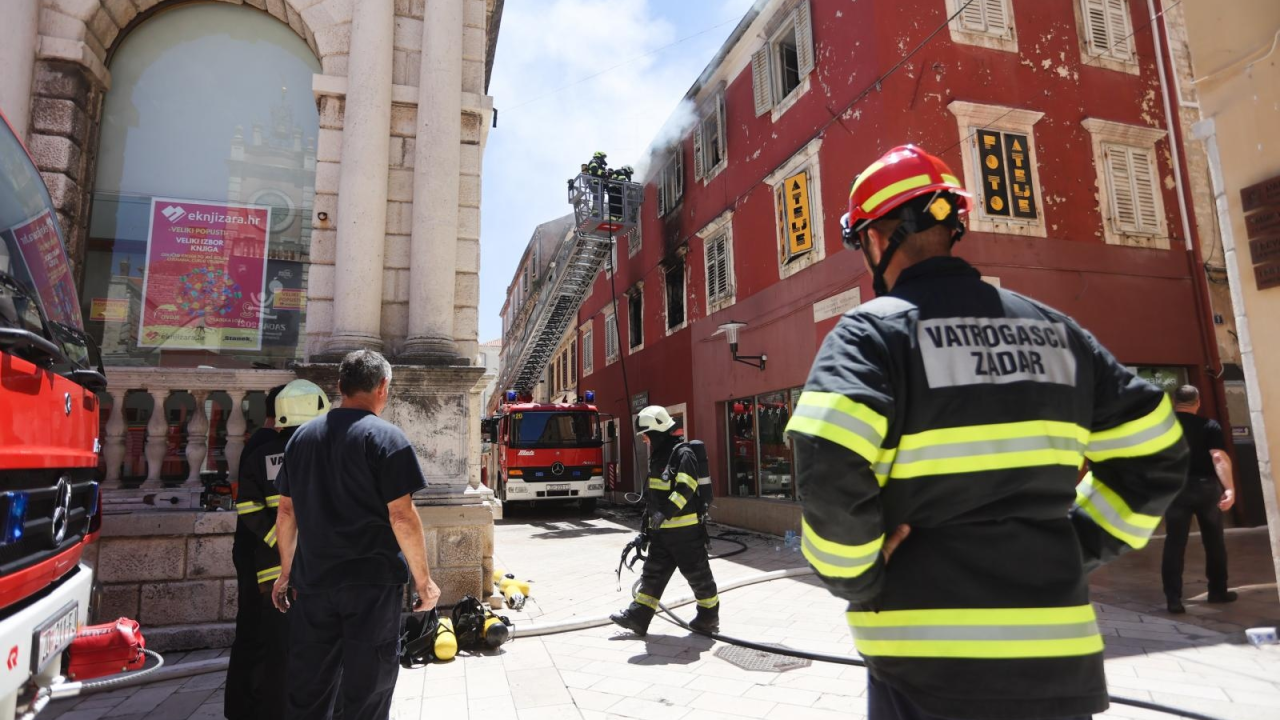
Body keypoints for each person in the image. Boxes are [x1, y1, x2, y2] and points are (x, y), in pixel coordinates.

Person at [786, 145, 1188, 720]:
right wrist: (1080, 543)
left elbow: (827, 456)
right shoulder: (1057, 333)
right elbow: (1157, 452)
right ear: (955, 226)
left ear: (875, 238)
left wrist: (858, 576)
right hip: (1057, 663)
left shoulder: (871, 335)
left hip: (925, 663)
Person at [272, 350, 442, 720]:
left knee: (308, 687)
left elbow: (286, 513)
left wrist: (286, 572)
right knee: (368, 689)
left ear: (339, 387)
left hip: (314, 582)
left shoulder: (300, 439)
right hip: (371, 586)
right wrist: (424, 582)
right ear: (383, 388)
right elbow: (402, 517)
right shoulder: (389, 440)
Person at [226, 380, 327, 720]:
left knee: (267, 642)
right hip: (296, 568)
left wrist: (277, 541)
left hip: (267, 567)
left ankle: (254, 709)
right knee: (292, 649)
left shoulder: (262, 450)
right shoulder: (316, 453)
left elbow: (249, 508)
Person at [610, 405, 719, 636]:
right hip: (662, 532)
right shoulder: (659, 457)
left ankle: (708, 616)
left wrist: (665, 513)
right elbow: (654, 496)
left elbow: (686, 487)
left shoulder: (682, 454)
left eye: (647, 435)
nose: (646, 441)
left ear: (658, 431)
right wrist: (648, 526)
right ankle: (638, 617)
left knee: (697, 574)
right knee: (653, 573)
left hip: (685, 532)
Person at [1162, 384, 1237, 613]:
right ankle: (1217, 591)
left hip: (1174, 489)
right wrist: (1230, 489)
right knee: (1214, 541)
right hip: (1205, 489)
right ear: (1198, 402)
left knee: (1174, 543)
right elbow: (1218, 457)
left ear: (1174, 402)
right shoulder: (1209, 426)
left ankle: (1174, 600)